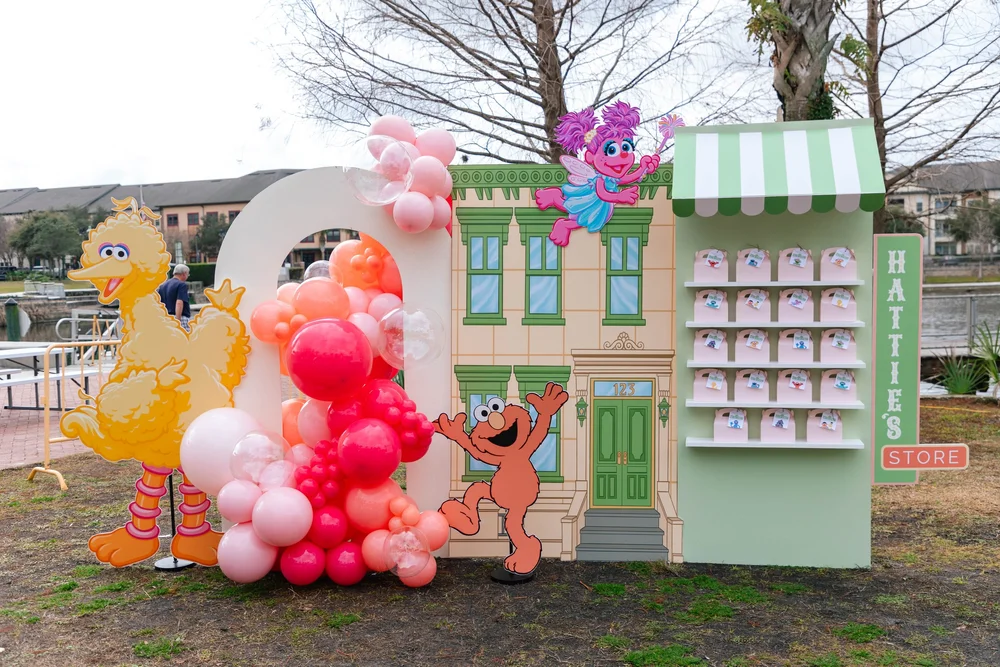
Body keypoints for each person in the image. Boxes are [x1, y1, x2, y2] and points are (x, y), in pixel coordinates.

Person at [157, 265, 191, 331]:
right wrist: (178, 321)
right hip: (180, 317)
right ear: (184, 274)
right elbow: (179, 303)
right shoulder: (181, 285)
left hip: (166, 318)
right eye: (188, 274)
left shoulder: (162, 286)